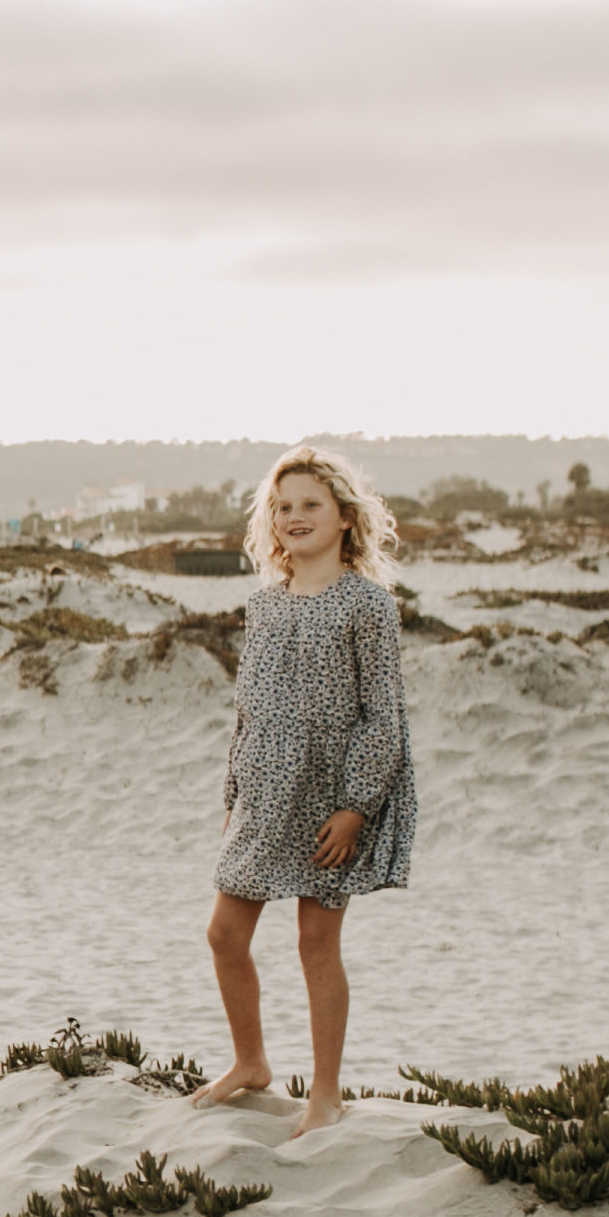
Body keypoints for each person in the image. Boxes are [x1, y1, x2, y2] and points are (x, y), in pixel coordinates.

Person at [189, 444, 417, 1138]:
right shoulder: (262, 607)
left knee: (316, 944)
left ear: (345, 518)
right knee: (224, 933)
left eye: (310, 505)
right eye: (282, 507)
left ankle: (324, 1094)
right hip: (265, 790)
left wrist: (356, 808)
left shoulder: (367, 606)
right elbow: (247, 707)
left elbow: (385, 716)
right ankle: (251, 1063)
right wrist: (236, 786)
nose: (294, 517)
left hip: (331, 797)